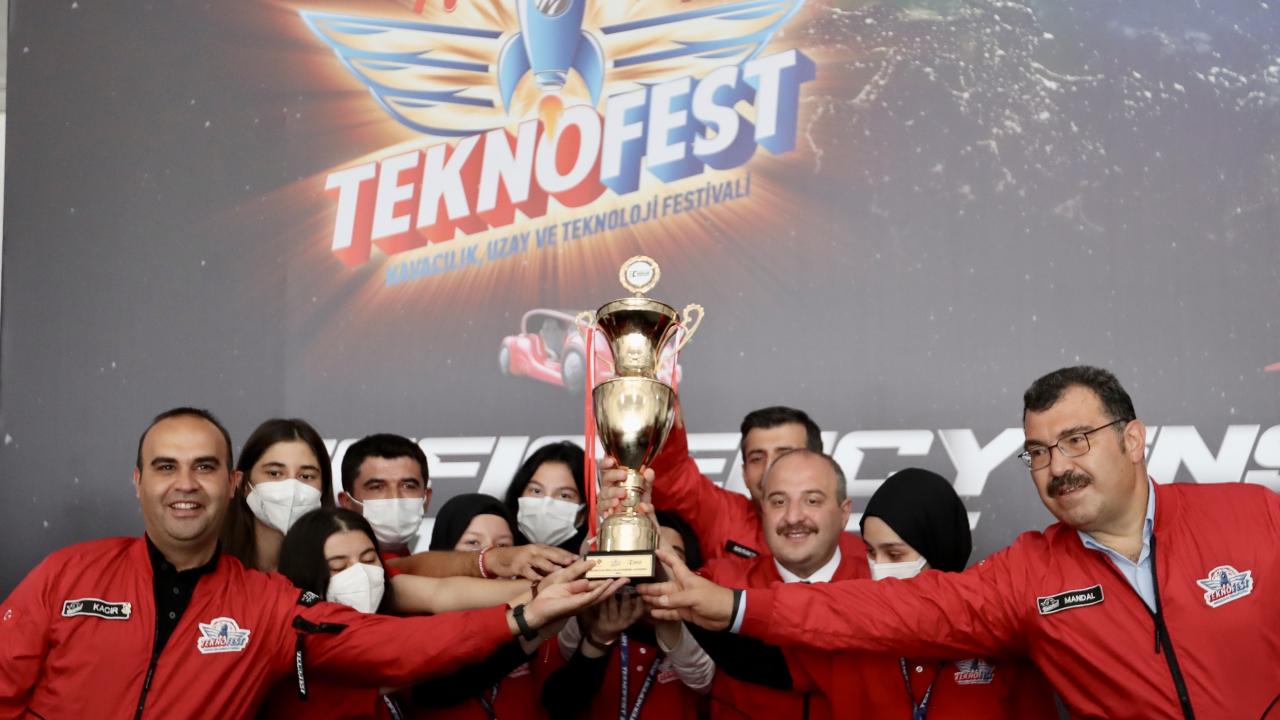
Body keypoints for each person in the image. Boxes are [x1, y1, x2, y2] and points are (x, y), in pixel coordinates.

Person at [641, 366, 1280, 719]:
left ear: (1132, 440)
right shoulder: (1030, 574)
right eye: (1037, 452)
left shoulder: (1254, 515)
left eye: (1076, 441)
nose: (1057, 467)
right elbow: (886, 610)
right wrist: (732, 606)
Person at [0, 407, 626, 718]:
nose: (185, 484)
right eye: (166, 467)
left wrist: (524, 612)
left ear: (229, 483)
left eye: (204, 467)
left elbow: (400, 634)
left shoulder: (269, 602)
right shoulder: (67, 573)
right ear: (138, 481)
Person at [707, 461, 1056, 719]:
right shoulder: (850, 636)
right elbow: (753, 660)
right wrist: (691, 601)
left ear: (939, 548)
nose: (880, 567)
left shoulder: (1002, 638)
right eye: (871, 553)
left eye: (895, 554)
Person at [695, 449, 868, 719]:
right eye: (778, 502)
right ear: (762, 511)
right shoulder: (718, 581)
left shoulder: (880, 586)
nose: (793, 517)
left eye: (812, 501)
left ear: (844, 513)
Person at [616, 406, 853, 563]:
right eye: (757, 458)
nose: (770, 468)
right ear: (745, 473)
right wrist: (661, 416)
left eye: (785, 454)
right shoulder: (723, 515)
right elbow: (672, 476)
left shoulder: (859, 558)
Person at [541, 511, 714, 719]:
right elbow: (561, 700)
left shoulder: (700, 624)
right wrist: (599, 637)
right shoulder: (593, 611)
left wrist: (667, 617)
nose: (656, 566)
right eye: (646, 553)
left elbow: (703, 680)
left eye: (670, 557)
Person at [412, 494, 553, 720]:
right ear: (443, 549)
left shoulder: (540, 611)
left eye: (503, 546)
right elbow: (437, 692)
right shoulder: (415, 620)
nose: (492, 555)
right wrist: (526, 635)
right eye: (472, 543)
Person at [222, 418, 336, 572]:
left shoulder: (337, 570)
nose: (292, 488)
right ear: (243, 484)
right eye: (274, 473)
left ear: (323, 487)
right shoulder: (214, 565)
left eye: (306, 476)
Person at [338, 433, 432, 557]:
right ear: (347, 502)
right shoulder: (319, 568)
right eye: (376, 487)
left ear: (426, 500)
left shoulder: (436, 568)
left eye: (408, 486)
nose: (395, 497)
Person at [504, 441, 589, 552]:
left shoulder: (595, 557)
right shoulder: (497, 551)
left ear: (583, 512)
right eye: (536, 491)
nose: (545, 506)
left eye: (564, 495)